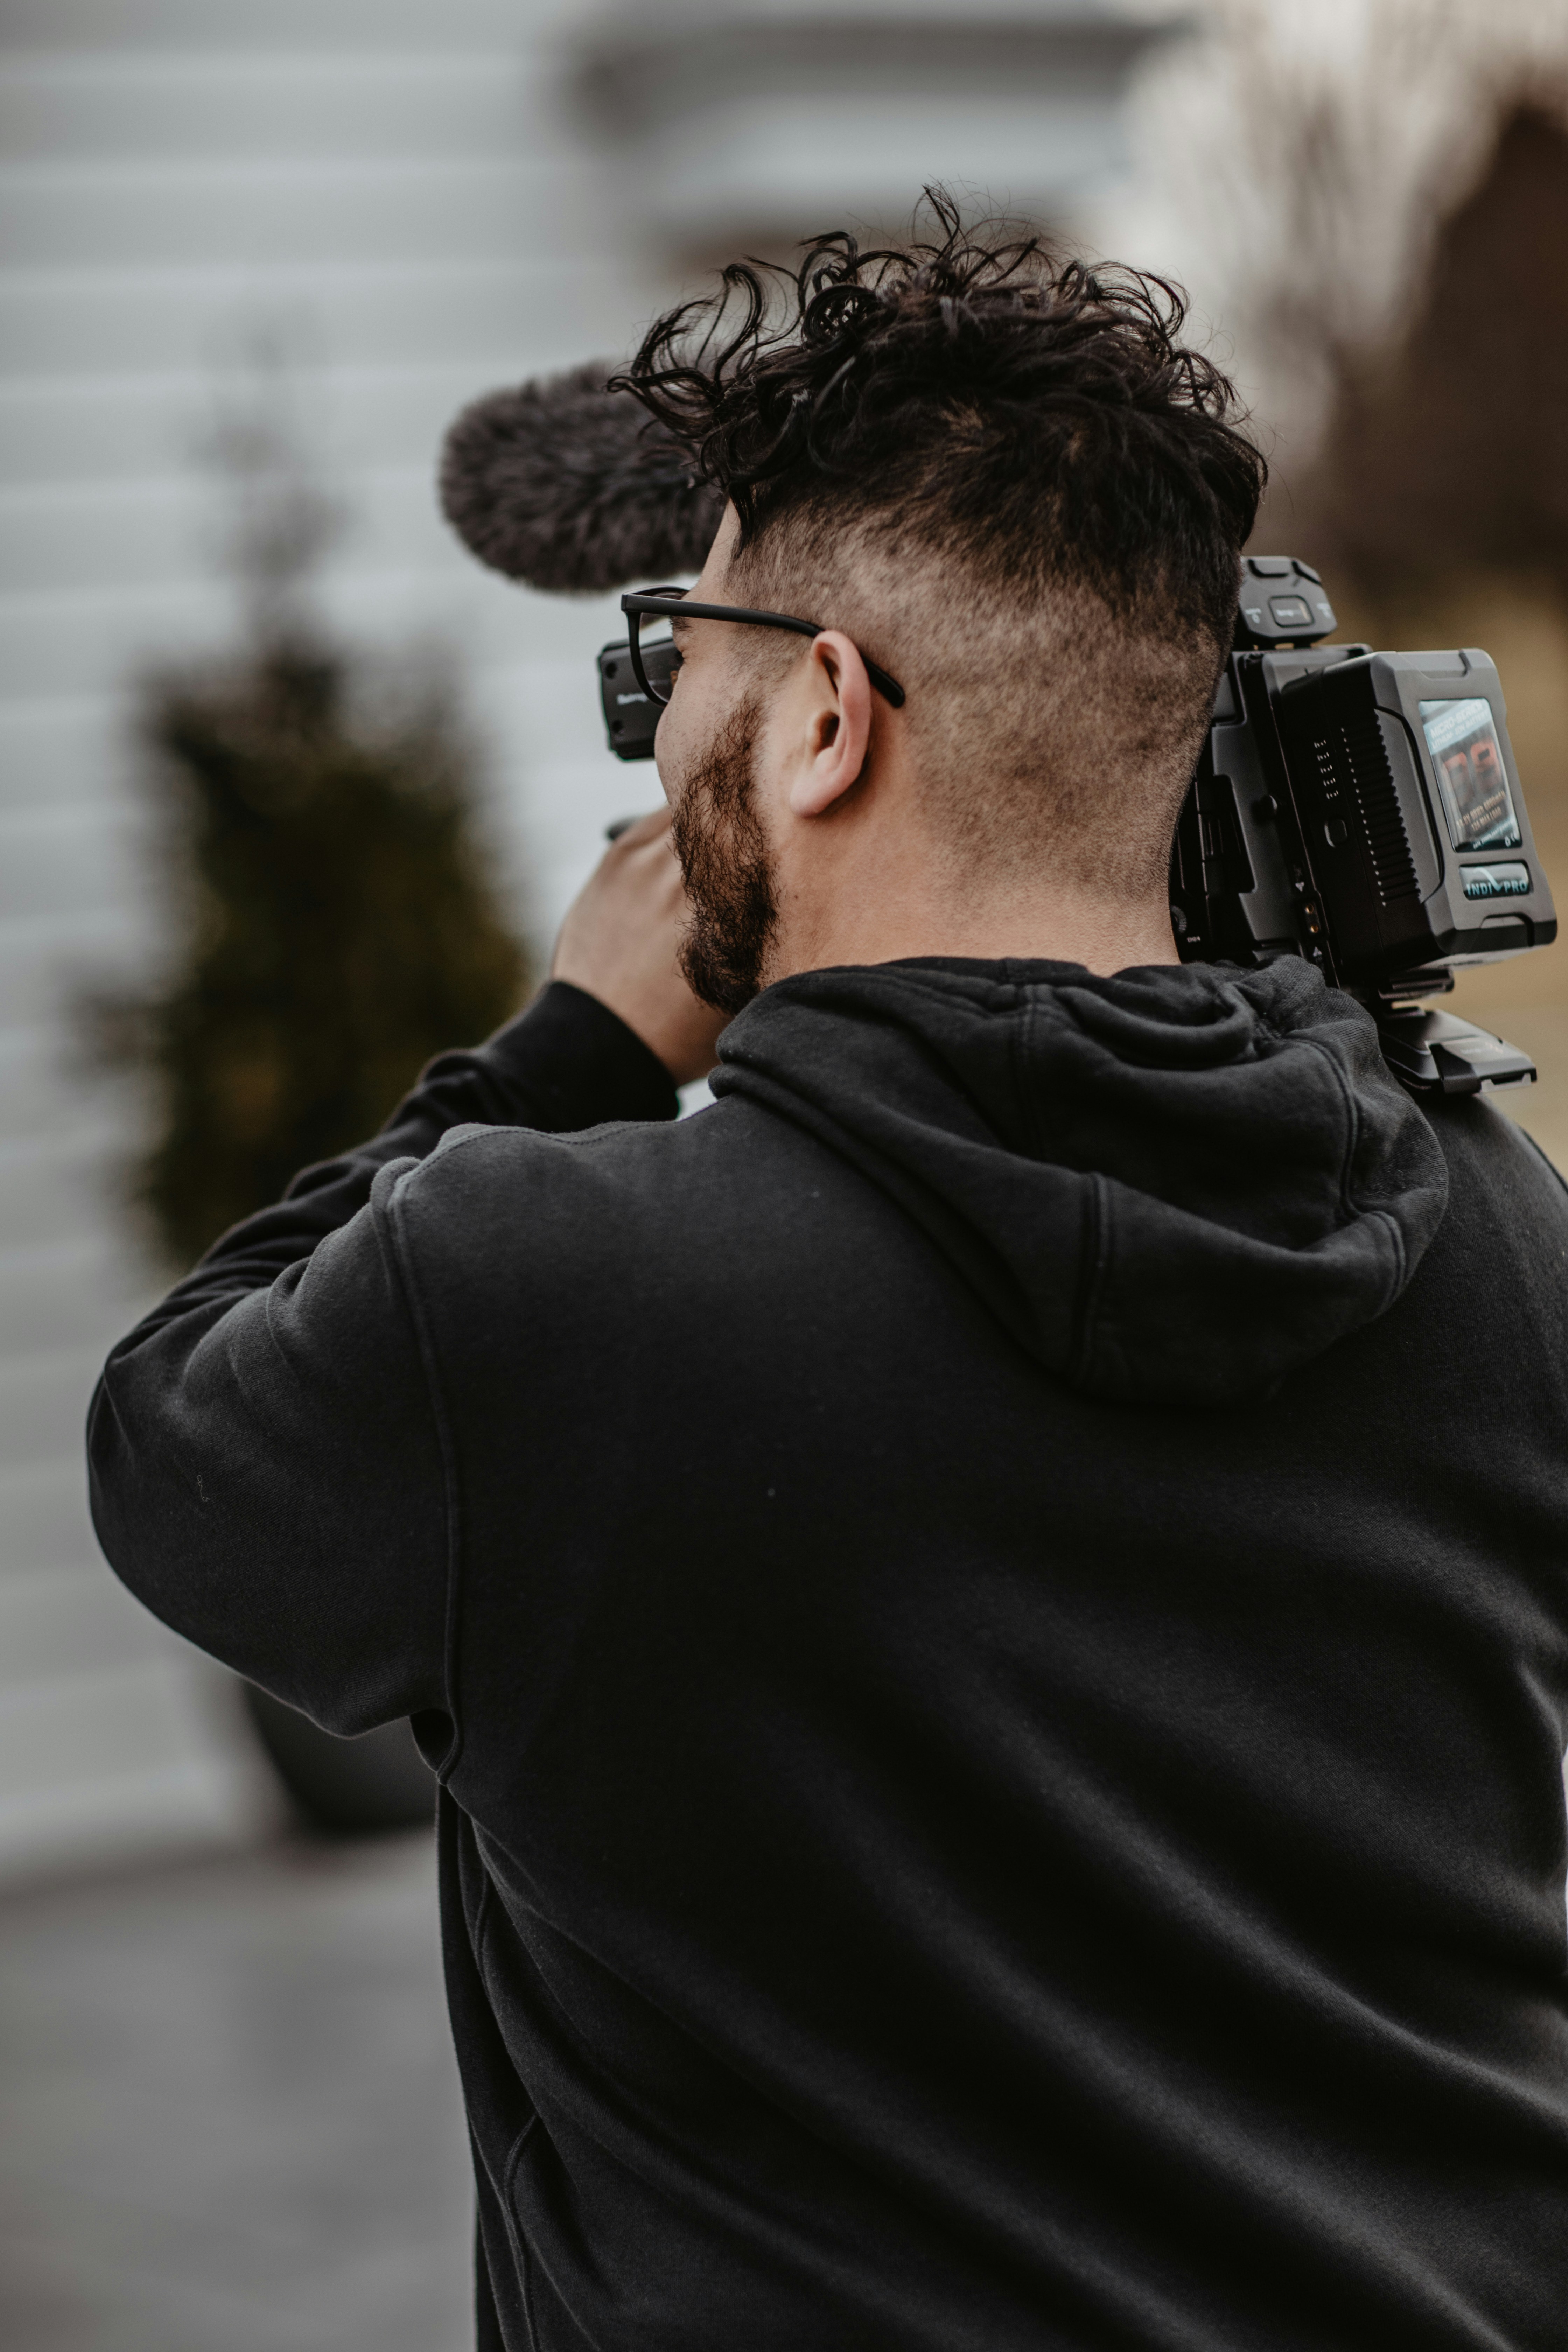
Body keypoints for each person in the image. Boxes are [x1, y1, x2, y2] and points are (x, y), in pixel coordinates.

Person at [89, 212, 1568, 2350]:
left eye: (685, 659)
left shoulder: (545, 1301)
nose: (656, 720)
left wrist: (574, 1046)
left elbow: (172, 1443)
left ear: (822, 723)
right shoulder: (1492, 1229)